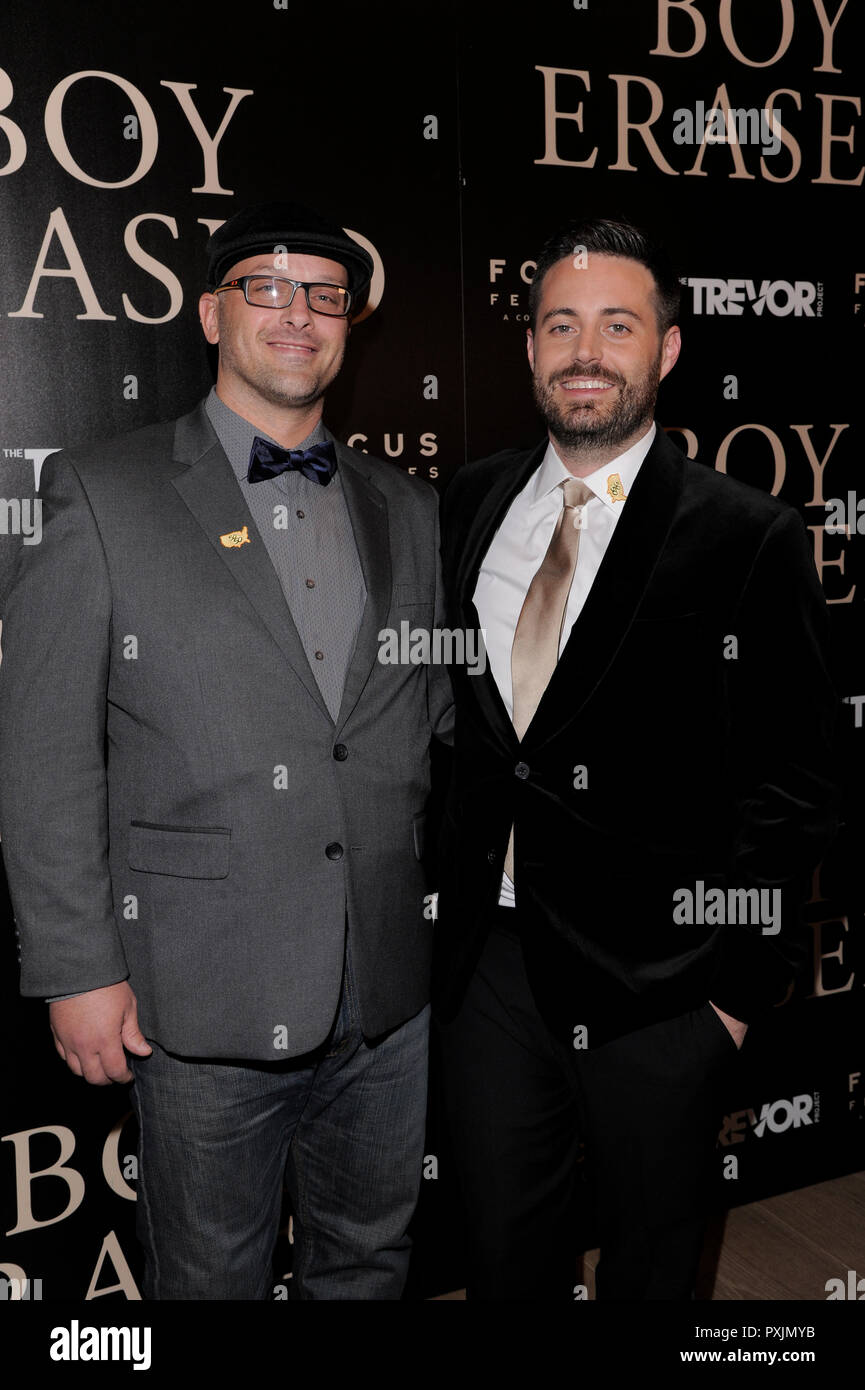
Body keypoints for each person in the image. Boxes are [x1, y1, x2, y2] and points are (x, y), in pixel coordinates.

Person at [0, 200, 453, 1300]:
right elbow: (44, 751)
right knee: (209, 1280)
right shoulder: (106, 494)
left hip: (386, 991)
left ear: (348, 325)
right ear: (211, 313)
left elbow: (426, 722)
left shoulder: (410, 509)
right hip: (195, 997)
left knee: (369, 1261)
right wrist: (77, 968)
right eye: (267, 288)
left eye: (324, 296)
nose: (297, 315)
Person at [433, 217, 837, 1300]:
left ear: (664, 350)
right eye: (559, 324)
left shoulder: (747, 533)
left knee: (653, 1270)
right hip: (491, 972)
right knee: (500, 1255)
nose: (584, 351)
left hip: (660, 990)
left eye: (617, 325)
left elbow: (796, 784)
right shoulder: (468, 503)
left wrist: (732, 1002)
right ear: (527, 348)